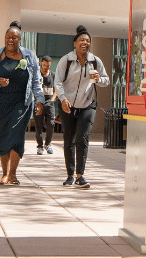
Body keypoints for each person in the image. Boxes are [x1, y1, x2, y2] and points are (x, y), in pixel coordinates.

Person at [0, 21, 43, 185]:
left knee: (16, 137)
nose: (11, 40)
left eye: (14, 37)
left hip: (21, 104)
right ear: (4, 38)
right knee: (3, 136)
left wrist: (40, 100)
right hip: (0, 103)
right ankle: (4, 174)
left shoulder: (29, 56)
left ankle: (13, 174)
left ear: (20, 39)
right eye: (8, 37)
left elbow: (36, 80)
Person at [55, 25, 109, 189]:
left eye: (87, 41)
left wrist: (99, 79)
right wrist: (63, 99)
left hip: (87, 105)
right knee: (69, 140)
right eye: (81, 40)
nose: (85, 43)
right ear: (75, 43)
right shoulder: (67, 60)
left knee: (82, 139)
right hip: (68, 106)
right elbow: (57, 81)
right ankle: (70, 175)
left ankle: (80, 175)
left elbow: (106, 81)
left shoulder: (95, 60)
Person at [34, 55, 57, 154]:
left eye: (47, 65)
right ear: (41, 63)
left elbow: (57, 90)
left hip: (50, 103)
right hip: (39, 103)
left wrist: (52, 100)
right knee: (38, 125)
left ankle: (48, 144)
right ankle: (40, 146)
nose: (45, 67)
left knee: (51, 124)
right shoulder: (37, 75)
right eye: (44, 65)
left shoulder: (53, 75)